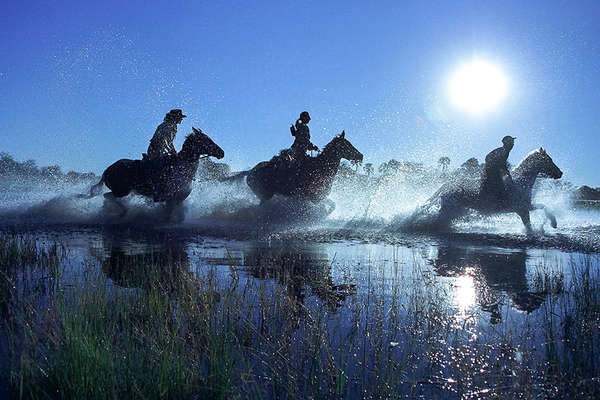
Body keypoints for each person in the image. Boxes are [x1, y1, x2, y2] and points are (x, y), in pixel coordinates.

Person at [481, 135, 516, 203]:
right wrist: (498, 167)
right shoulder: (503, 150)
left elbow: (503, 164)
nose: (513, 144)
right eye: (511, 142)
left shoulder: (505, 151)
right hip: (491, 170)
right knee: (500, 184)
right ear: (506, 143)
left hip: (492, 169)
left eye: (513, 142)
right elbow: (488, 158)